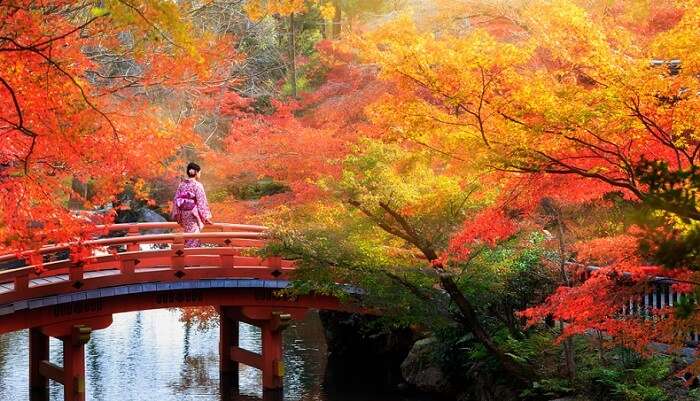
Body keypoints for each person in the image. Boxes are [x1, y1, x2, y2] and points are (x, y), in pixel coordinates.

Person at [171, 162, 212, 247]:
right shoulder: (197, 185)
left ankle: (188, 254)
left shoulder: (181, 185)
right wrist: (206, 217)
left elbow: (176, 200)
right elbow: (202, 201)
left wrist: (177, 215)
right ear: (196, 173)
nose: (200, 174)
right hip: (193, 214)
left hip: (183, 213)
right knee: (194, 235)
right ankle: (192, 255)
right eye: (200, 172)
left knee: (188, 234)